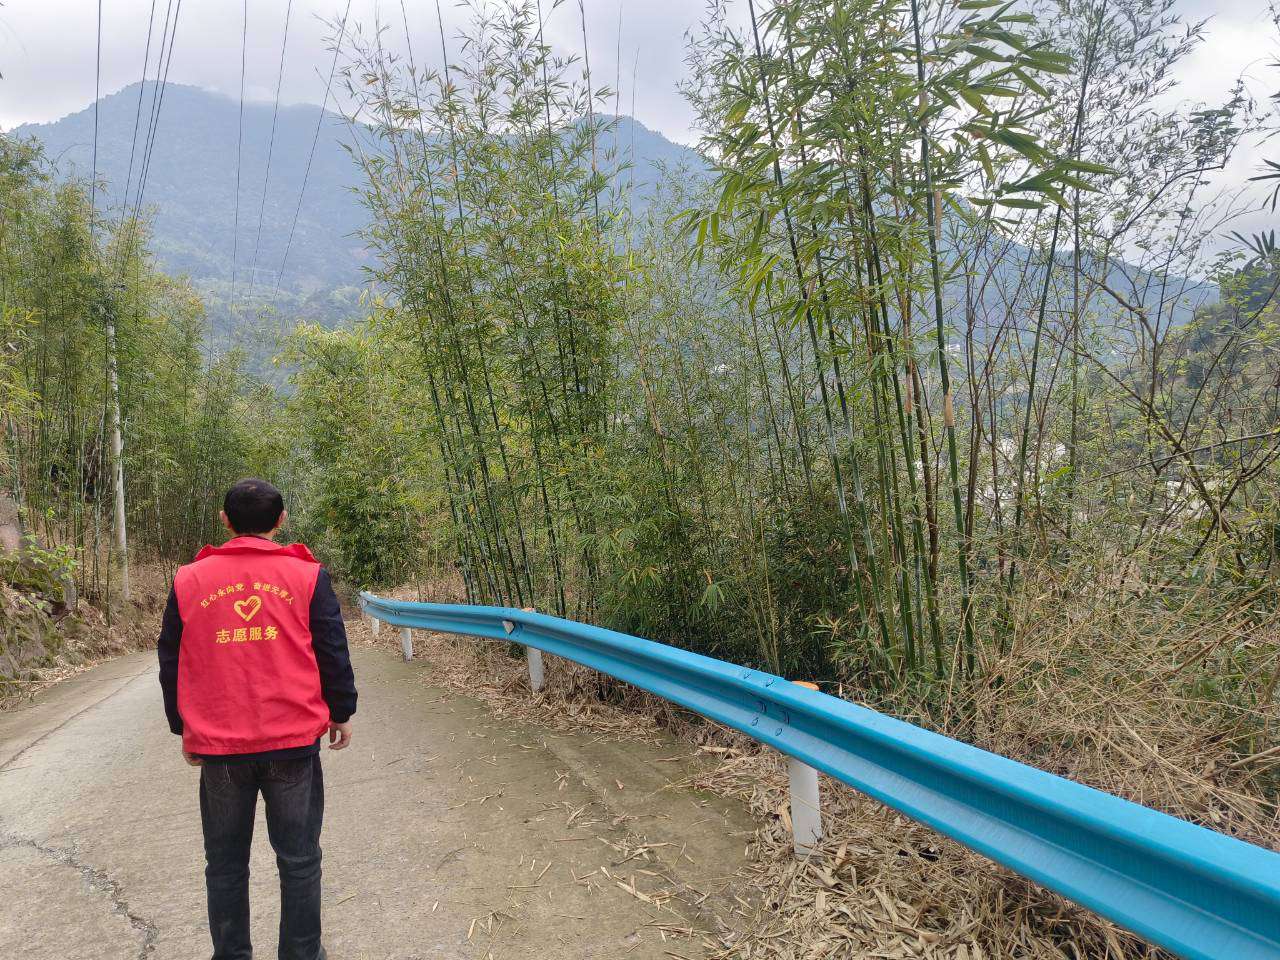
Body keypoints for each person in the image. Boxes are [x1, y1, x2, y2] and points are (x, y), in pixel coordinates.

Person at [158, 478, 357, 960]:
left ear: (225, 521)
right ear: (281, 520)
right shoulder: (307, 577)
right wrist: (341, 710)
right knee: (300, 859)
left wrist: (184, 727)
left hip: (221, 747)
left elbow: (171, 659)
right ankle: (302, 954)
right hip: (292, 742)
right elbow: (331, 648)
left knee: (225, 865)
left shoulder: (189, 580)